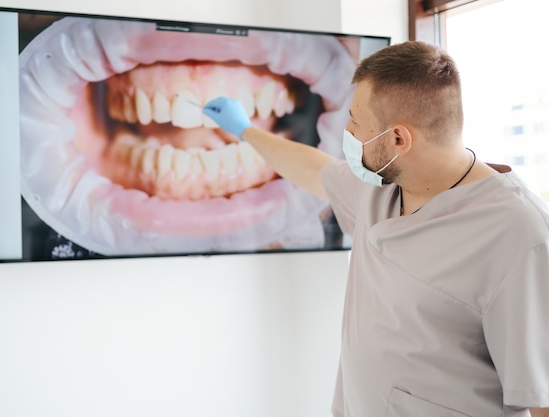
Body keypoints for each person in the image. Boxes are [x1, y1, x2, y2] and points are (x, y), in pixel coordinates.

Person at [202, 41, 549, 417]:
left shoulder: (518, 233)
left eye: (354, 121)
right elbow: (312, 168)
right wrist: (244, 130)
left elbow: (542, 397)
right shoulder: (381, 187)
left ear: (398, 139)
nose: (346, 132)